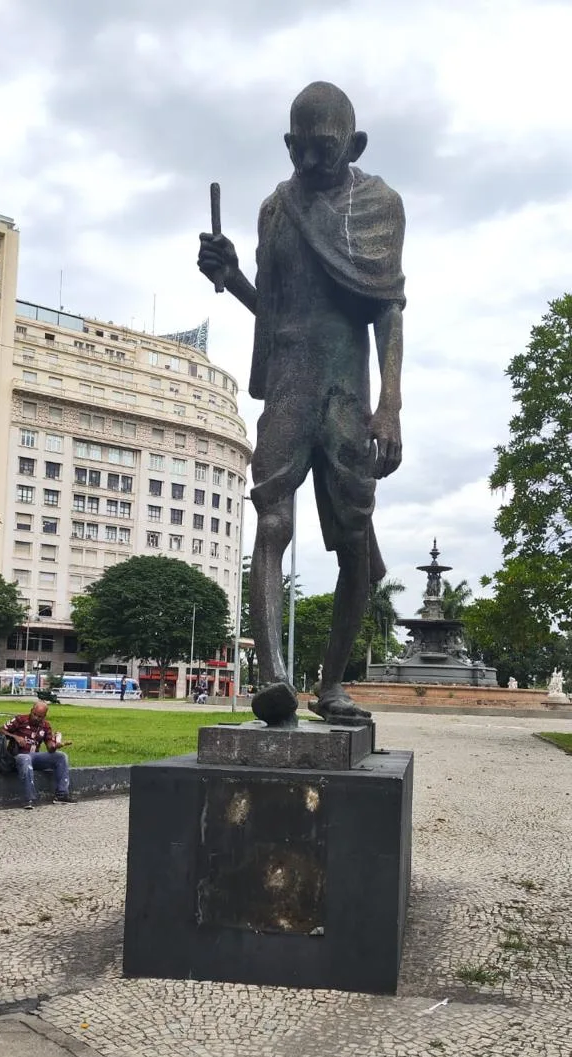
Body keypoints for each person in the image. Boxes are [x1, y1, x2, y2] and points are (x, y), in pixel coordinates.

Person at [198, 81, 405, 726]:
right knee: (272, 522)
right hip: (289, 385)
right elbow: (276, 315)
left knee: (352, 547)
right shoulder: (274, 210)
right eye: (300, 150)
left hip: (347, 391)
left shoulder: (378, 205)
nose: (311, 162)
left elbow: (387, 310)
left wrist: (390, 404)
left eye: (326, 149)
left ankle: (334, 685)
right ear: (287, 145)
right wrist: (232, 278)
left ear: (354, 144)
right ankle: (274, 679)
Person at [0, 701, 72, 809]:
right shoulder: (20, 719)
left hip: (34, 757)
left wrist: (56, 746)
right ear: (31, 711)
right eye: (35, 714)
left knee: (61, 756)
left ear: (44, 716)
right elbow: (0, 730)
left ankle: (62, 795)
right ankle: (29, 799)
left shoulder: (46, 726)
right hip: (17, 756)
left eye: (40, 717)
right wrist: (15, 737)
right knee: (26, 758)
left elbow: (50, 748)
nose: (36, 718)